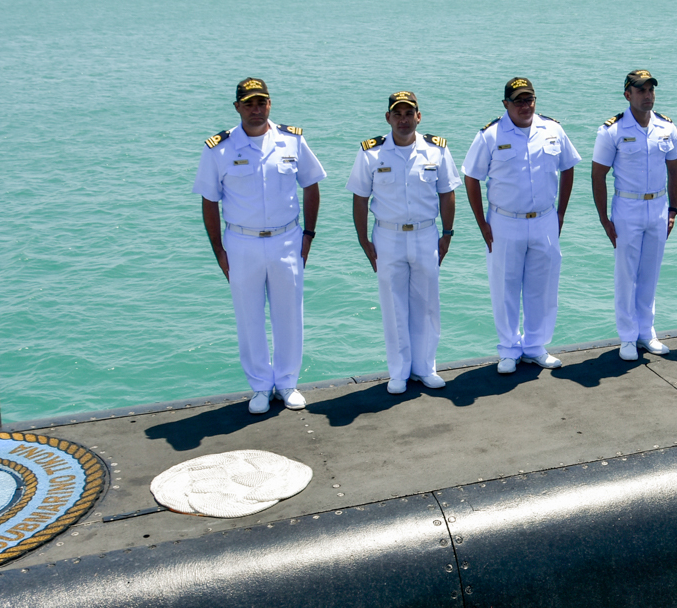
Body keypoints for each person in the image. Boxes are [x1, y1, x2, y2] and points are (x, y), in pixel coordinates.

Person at [195, 77, 326, 414]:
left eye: (261, 103)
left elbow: (311, 184)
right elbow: (209, 201)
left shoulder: (292, 140)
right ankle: (259, 387)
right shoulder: (218, 149)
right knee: (248, 316)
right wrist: (219, 251)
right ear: (237, 107)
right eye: (249, 104)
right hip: (242, 242)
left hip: (287, 239)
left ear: (269, 104)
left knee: (289, 314)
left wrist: (308, 235)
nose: (256, 109)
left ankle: (287, 383)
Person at [463, 77, 581, 374]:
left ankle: (535, 346)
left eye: (529, 99)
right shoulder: (490, 135)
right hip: (505, 221)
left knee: (543, 286)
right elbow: (471, 177)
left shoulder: (552, 130)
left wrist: (561, 213)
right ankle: (508, 349)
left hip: (544, 219)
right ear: (506, 104)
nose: (525, 105)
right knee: (504, 287)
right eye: (518, 101)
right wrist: (482, 223)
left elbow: (568, 166)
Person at [349, 91, 462, 394]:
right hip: (388, 236)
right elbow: (360, 198)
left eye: (409, 113)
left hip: (426, 233)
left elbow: (448, 193)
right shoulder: (371, 153)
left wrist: (447, 233)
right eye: (397, 114)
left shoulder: (437, 150)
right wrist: (362, 239)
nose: (403, 120)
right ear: (388, 118)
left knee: (427, 303)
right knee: (393, 304)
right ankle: (399, 371)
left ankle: (425, 368)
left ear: (418, 117)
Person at [591, 70, 677, 361]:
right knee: (626, 274)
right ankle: (628, 336)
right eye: (641, 90)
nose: (647, 95)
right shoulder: (612, 130)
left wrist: (673, 209)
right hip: (627, 207)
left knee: (650, 273)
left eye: (651, 90)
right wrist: (604, 219)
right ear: (627, 94)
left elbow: (675, 168)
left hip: (658, 206)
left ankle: (646, 331)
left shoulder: (666, 127)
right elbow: (598, 175)